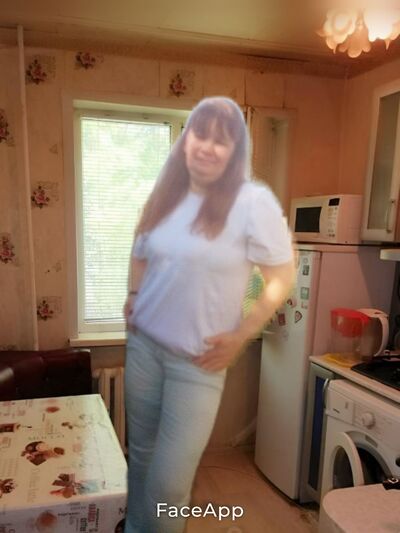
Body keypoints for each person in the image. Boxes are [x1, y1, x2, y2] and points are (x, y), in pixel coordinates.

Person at [123, 96, 295, 533]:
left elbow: (281, 276)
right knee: (140, 458)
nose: (207, 146)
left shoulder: (252, 203)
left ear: (235, 151)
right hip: (143, 347)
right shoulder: (166, 195)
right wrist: (134, 293)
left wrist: (241, 334)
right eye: (200, 133)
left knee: (168, 485)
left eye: (222, 139)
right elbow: (140, 248)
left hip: (198, 363)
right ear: (186, 140)